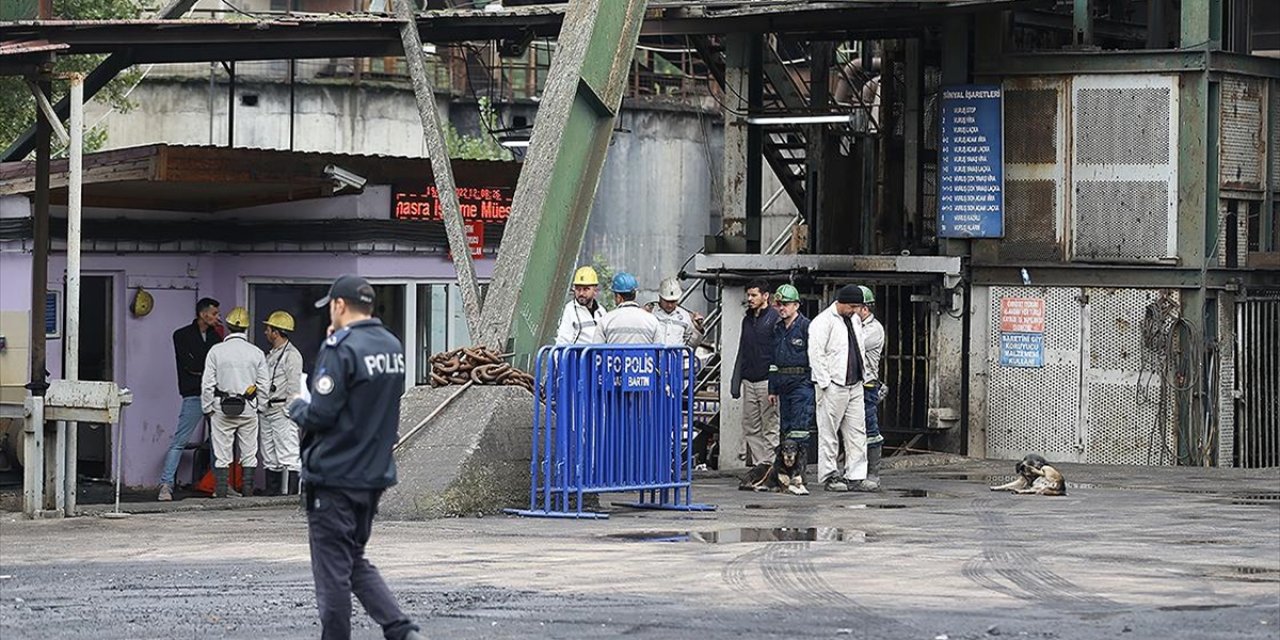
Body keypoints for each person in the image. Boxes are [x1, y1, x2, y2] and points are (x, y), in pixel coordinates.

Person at [286, 275, 424, 640]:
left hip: (335, 476)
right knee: (352, 559)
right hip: (372, 475)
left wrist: (297, 407)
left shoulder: (340, 347)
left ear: (340, 305)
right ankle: (400, 630)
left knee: (332, 571)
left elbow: (321, 415)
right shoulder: (392, 345)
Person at [808, 285, 877, 493]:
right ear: (841, 302)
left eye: (858, 306)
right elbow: (816, 354)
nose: (856, 310)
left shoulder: (854, 320)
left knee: (857, 431)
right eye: (853, 306)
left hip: (855, 383)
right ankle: (830, 475)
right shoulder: (823, 321)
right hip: (834, 385)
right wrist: (825, 383)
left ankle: (855, 475)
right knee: (829, 432)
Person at [158, 297, 223, 502]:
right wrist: (208, 371)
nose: (217, 318)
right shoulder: (182, 335)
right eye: (214, 314)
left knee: (217, 443)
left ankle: (218, 485)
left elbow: (208, 365)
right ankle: (166, 484)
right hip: (194, 392)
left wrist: (206, 371)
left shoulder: (216, 337)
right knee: (180, 440)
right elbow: (191, 364)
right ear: (203, 314)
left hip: (213, 393)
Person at [201, 306, 268, 498]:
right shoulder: (256, 353)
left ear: (229, 327)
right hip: (248, 408)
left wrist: (207, 407)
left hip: (221, 407)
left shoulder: (216, 351)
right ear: (246, 328)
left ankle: (221, 492)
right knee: (249, 451)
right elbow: (264, 384)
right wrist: (260, 407)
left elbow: (207, 384)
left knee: (222, 453)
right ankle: (247, 492)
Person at [730, 280, 780, 465]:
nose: (749, 299)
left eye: (754, 295)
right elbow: (742, 350)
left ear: (765, 296)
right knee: (751, 426)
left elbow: (777, 352)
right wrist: (736, 381)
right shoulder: (747, 320)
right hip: (749, 379)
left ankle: (772, 466)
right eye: (748, 295)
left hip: (766, 380)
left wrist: (775, 382)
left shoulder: (774, 319)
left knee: (770, 425)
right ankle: (762, 466)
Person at [260, 310, 304, 496]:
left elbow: (294, 386)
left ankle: (292, 496)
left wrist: (288, 411)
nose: (265, 332)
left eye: (268, 329)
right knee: (270, 456)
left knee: (289, 454)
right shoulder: (272, 354)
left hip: (281, 410)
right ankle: (273, 494)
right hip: (267, 409)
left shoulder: (292, 355)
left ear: (276, 332)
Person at [768, 284, 814, 460]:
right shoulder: (778, 329)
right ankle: (787, 471)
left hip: (801, 383)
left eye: (785, 304)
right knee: (786, 428)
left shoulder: (806, 327)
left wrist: (810, 383)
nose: (781, 308)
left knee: (799, 429)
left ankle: (799, 470)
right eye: (779, 304)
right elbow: (773, 361)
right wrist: (772, 389)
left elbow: (815, 356)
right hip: (783, 384)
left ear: (796, 305)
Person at [854, 285, 887, 485]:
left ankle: (873, 474)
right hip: (852, 385)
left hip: (867, 385)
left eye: (854, 307)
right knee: (853, 430)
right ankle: (855, 472)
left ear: (865, 309)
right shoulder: (854, 326)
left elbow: (851, 346)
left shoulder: (873, 330)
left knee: (869, 427)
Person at [598, 272, 660, 344]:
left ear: (618, 297)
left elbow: (596, 351)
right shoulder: (652, 320)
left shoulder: (606, 320)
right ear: (635, 295)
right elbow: (660, 350)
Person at [555, 266, 606, 345]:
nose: (581, 293)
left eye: (586, 289)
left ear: (595, 290)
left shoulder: (601, 311)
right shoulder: (570, 310)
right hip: (578, 356)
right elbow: (562, 340)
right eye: (578, 289)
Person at [650, 277, 704, 348]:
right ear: (660, 297)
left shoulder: (685, 316)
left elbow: (691, 345)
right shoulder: (651, 314)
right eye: (667, 301)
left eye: (673, 301)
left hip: (678, 358)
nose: (670, 305)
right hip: (655, 357)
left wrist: (698, 330)